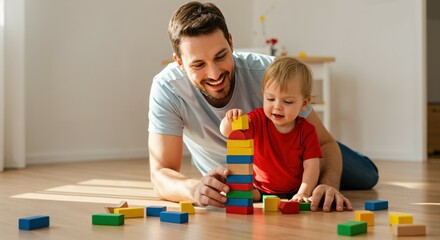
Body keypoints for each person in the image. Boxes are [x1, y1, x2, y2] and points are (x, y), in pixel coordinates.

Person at [148, 1, 378, 212]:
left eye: (221, 56)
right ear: (178, 62)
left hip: (295, 153)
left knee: (366, 176)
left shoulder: (269, 73)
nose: (215, 74)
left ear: (231, 42)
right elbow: (161, 173)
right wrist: (194, 189)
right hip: (253, 180)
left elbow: (324, 142)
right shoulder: (168, 89)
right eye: (198, 64)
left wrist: (328, 184)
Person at [219, 57, 321, 203]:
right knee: (240, 192)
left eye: (287, 101)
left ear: (304, 103)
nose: (277, 106)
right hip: (260, 189)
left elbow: (312, 167)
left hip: (294, 191)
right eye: (271, 99)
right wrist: (229, 120)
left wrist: (303, 193)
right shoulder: (257, 119)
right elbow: (227, 132)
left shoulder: (307, 131)